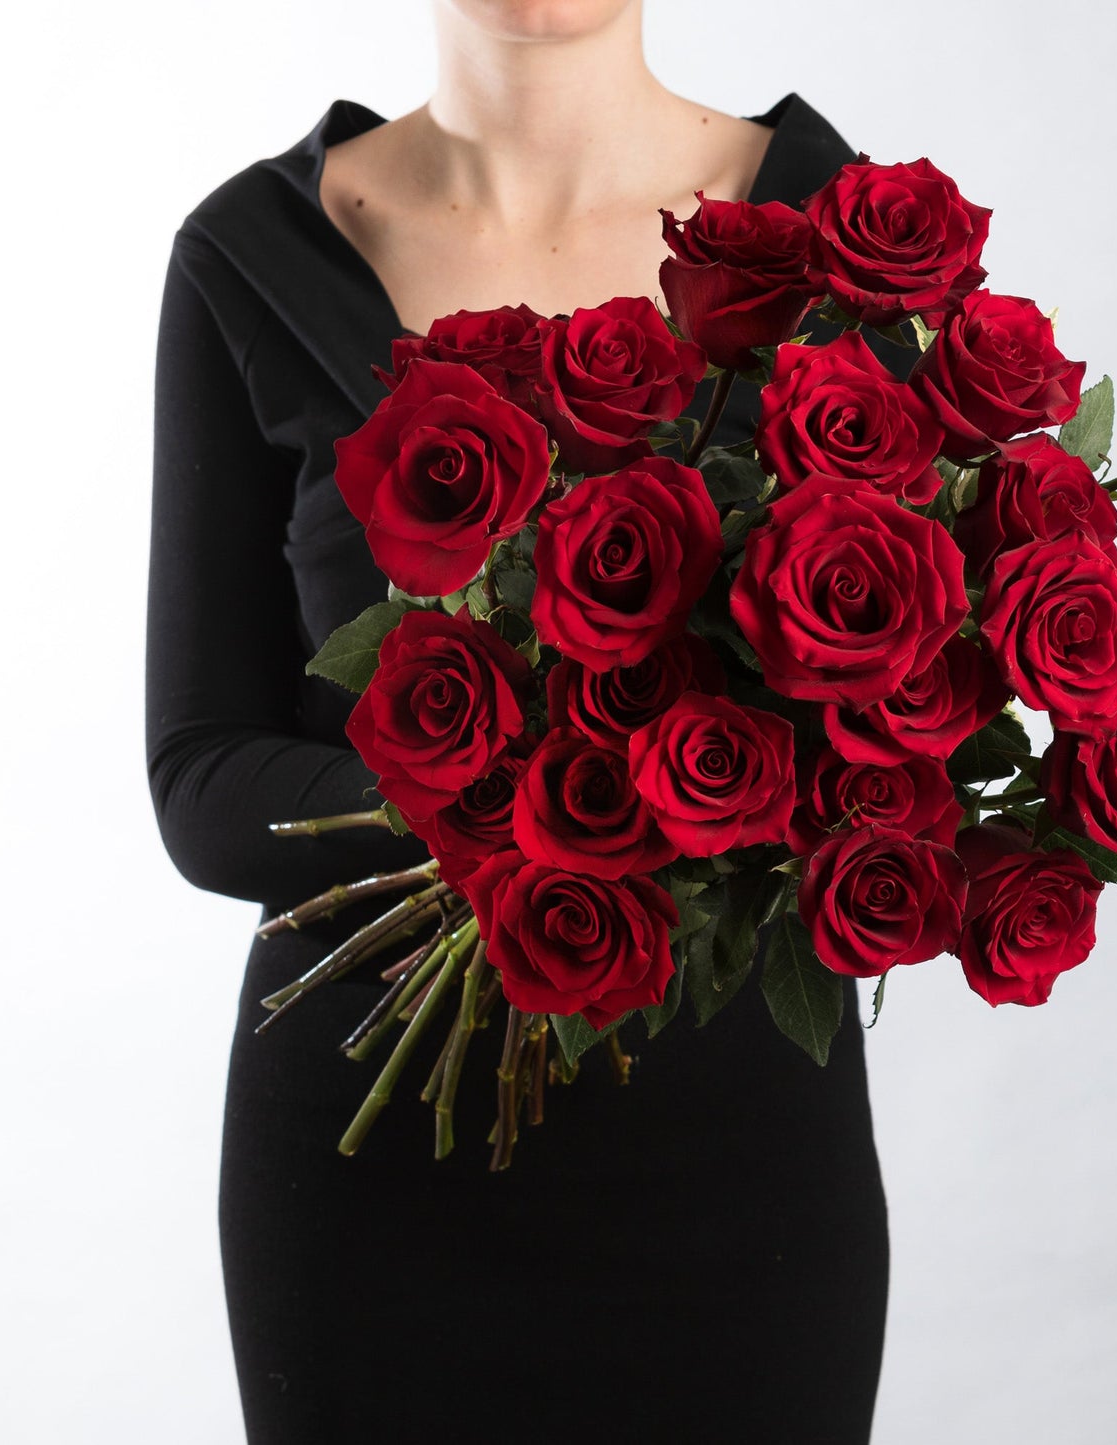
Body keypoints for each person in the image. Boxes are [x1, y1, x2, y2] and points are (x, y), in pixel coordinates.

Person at [146, 3, 896, 1439]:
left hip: (734, 1166)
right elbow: (201, 773)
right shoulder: (249, 254)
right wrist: (526, 815)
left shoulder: (825, 237)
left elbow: (893, 721)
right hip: (365, 1169)